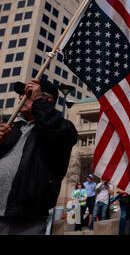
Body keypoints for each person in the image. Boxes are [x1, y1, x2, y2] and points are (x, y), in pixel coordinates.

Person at [0, 79, 78, 235]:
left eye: (28, 94)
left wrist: (38, 103)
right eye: (22, 94)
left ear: (46, 100)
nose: (21, 98)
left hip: (26, 218)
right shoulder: (11, 128)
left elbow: (58, 130)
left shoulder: (61, 129)